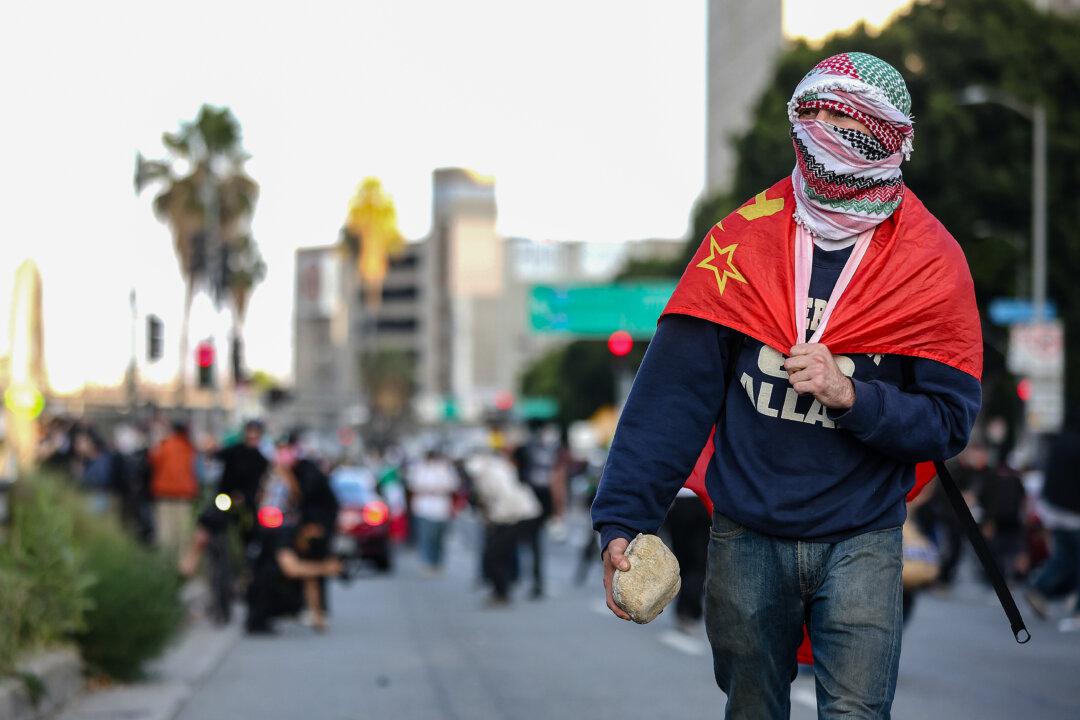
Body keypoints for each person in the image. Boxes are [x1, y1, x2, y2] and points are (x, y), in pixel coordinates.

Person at [592, 52, 982, 718]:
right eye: (813, 112)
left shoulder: (931, 264)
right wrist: (622, 519)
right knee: (751, 712)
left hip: (864, 535)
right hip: (746, 535)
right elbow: (670, 402)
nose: (824, 129)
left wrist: (853, 396)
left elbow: (947, 424)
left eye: (845, 119)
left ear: (888, 137)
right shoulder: (739, 246)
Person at [1025, 417, 1080, 632]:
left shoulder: (1062, 442)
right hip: (1075, 510)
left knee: (1064, 556)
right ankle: (1076, 609)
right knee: (1071, 559)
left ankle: (1039, 589)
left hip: (1057, 509)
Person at [468, 445, 542, 606]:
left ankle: (503, 592)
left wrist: (498, 519)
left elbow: (507, 499)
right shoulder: (490, 473)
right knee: (496, 555)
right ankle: (500, 590)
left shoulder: (495, 474)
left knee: (496, 555)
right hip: (506, 518)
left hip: (516, 517)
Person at [214, 420, 271, 546]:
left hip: (247, 503)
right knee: (212, 523)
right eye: (250, 432)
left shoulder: (261, 460)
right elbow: (216, 455)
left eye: (255, 433)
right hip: (225, 498)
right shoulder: (233, 451)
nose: (252, 436)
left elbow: (261, 483)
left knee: (250, 532)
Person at [149, 420, 199, 559]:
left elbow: (153, 461)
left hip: (164, 493)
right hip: (184, 495)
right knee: (182, 530)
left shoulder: (164, 445)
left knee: (165, 531)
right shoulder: (189, 448)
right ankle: (182, 562)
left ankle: (165, 561)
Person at [406, 449, 461, 574]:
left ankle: (438, 562)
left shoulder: (445, 468)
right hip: (424, 508)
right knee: (426, 536)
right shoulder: (419, 468)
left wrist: (438, 489)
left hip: (441, 508)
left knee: (439, 537)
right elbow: (413, 486)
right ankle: (428, 562)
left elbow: (453, 485)